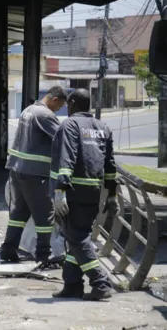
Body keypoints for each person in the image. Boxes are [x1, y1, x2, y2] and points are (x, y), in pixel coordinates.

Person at [50, 88, 118, 301]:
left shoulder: (70, 125)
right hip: (93, 192)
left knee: (77, 238)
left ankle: (100, 283)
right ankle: (72, 285)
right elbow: (110, 165)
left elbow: (67, 157)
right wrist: (112, 195)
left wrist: (60, 190)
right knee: (76, 237)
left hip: (73, 192)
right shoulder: (102, 127)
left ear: (71, 103)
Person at [0, 86, 68, 264]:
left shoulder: (28, 111)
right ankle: (43, 256)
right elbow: (63, 139)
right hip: (35, 174)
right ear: (54, 99)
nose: (58, 110)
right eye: (59, 106)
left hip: (17, 170)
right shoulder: (45, 115)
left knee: (20, 212)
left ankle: (8, 250)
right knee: (46, 214)